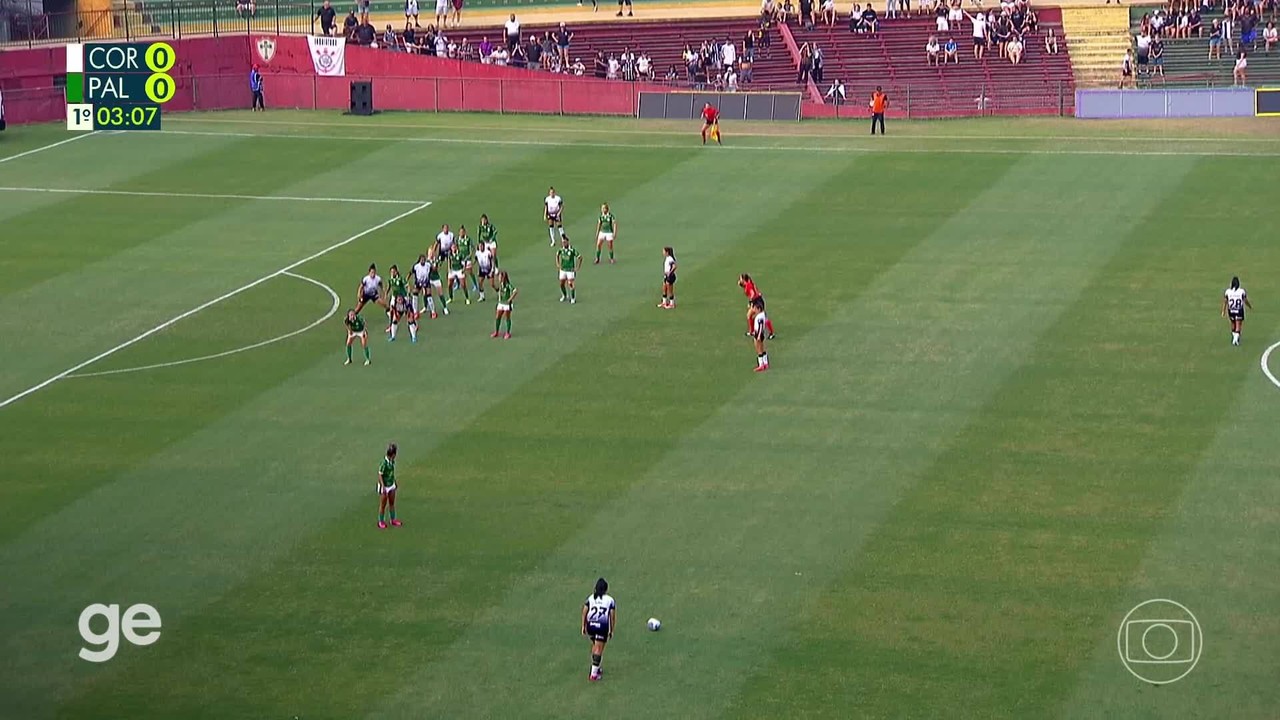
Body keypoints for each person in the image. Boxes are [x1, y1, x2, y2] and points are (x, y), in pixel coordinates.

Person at [581, 577, 616, 682]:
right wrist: (611, 629)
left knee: (596, 646)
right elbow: (612, 616)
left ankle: (597, 667)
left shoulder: (591, 598)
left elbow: (584, 611)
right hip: (602, 626)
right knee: (599, 649)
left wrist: (583, 625)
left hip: (591, 625)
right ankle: (593, 674)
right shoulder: (610, 600)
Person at [386, 265, 417, 342]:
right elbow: (389, 286)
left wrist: (408, 294)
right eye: (391, 272)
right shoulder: (390, 279)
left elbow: (407, 285)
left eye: (393, 271)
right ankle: (392, 336)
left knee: (409, 319)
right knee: (395, 319)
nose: (392, 273)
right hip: (396, 299)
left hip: (403, 299)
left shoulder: (400, 279)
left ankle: (413, 336)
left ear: (396, 272)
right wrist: (386, 293)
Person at [739, 273, 775, 338]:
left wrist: (750, 302)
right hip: (756, 301)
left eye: (741, 279)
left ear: (744, 279)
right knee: (749, 315)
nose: (739, 280)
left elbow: (752, 294)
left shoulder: (748, 285)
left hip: (758, 302)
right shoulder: (748, 283)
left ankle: (771, 333)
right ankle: (752, 331)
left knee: (763, 317)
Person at [376, 443, 402, 529]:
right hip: (385, 486)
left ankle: (393, 519)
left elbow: (391, 473)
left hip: (391, 484)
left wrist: (394, 482)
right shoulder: (384, 463)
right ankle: (381, 521)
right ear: (393, 454)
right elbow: (380, 475)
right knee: (383, 504)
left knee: (392, 503)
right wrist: (383, 487)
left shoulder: (392, 461)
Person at [1222, 276, 1252, 346]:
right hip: (1239, 310)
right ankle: (1235, 339)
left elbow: (1225, 301)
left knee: (1233, 324)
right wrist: (1249, 306)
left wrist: (1223, 311)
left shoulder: (1228, 292)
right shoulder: (1241, 291)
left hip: (1231, 309)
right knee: (1238, 324)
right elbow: (1245, 300)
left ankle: (1234, 337)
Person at [446, 227, 471, 305]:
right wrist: (449, 268)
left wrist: (463, 269)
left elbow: (464, 262)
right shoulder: (450, 254)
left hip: (460, 270)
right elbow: (449, 261)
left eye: (454, 247)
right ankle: (450, 298)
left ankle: (467, 298)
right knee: (449, 285)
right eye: (452, 247)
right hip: (452, 270)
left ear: (456, 247)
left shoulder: (460, 254)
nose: (453, 248)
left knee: (463, 285)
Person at [491, 270, 518, 339]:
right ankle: (496, 332)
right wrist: (493, 286)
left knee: (507, 318)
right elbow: (498, 290)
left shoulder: (508, 285)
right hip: (500, 303)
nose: (499, 278)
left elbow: (515, 291)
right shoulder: (500, 285)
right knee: (498, 317)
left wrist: (510, 299)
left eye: (500, 277)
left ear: (504, 278)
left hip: (506, 304)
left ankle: (508, 333)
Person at [556, 235, 582, 304]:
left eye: (565, 242)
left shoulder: (572, 250)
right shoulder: (561, 250)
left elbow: (580, 257)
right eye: (563, 242)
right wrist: (558, 264)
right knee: (561, 284)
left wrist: (577, 267)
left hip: (570, 270)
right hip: (563, 269)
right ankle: (564, 296)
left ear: (568, 242)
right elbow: (557, 255)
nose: (564, 244)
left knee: (570, 283)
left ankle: (573, 298)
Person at [749, 297, 770, 372]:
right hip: (761, 333)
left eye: (754, 308)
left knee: (759, 349)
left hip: (759, 334)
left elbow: (760, 326)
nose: (753, 310)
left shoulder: (759, 317)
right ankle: (766, 363)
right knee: (763, 348)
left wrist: (757, 336)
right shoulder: (763, 315)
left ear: (759, 309)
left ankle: (761, 364)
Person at [411, 253, 434, 317]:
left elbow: (433, 270)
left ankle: (433, 312)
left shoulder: (428, 265)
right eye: (422, 260)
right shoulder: (416, 266)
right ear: (419, 260)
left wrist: (434, 264)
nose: (423, 261)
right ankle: (415, 312)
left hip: (426, 282)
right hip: (418, 282)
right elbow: (411, 272)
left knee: (429, 295)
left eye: (424, 260)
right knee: (415, 295)